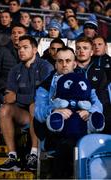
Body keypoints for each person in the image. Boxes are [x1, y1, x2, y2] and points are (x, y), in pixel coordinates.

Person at [34, 46, 104, 178]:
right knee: (66, 146)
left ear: (74, 63)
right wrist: (54, 110)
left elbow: (98, 105)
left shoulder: (84, 82)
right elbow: (38, 112)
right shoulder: (46, 85)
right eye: (60, 61)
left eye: (68, 60)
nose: (64, 64)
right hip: (54, 133)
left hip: (82, 128)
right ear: (55, 64)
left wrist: (88, 112)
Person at [0, 35, 54, 171]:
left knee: (34, 105)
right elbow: (9, 97)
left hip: (42, 112)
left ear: (35, 49)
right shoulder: (15, 70)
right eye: (19, 48)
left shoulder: (46, 67)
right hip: (23, 113)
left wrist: (18, 97)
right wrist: (15, 98)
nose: (21, 51)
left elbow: (41, 98)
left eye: (25, 47)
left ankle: (34, 155)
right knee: (5, 109)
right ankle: (12, 157)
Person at [75, 37, 110, 133]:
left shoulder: (100, 72)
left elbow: (103, 98)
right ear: (75, 51)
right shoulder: (69, 71)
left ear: (91, 52)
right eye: (78, 48)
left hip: (95, 113)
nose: (81, 51)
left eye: (85, 48)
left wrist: (91, 111)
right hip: (74, 114)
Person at [0, 23, 27, 107]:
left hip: (26, 90)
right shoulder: (2, 51)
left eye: (19, 33)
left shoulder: (32, 52)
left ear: (25, 35)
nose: (16, 35)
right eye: (13, 33)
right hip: (5, 90)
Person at [92, 35, 111, 134]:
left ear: (105, 46)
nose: (97, 47)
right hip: (92, 103)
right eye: (94, 44)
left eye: (100, 44)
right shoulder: (88, 62)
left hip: (107, 103)